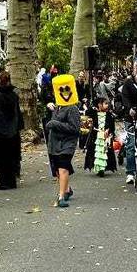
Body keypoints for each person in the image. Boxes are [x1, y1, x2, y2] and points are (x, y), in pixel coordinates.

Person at [45, 75, 82, 208]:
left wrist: (55, 123)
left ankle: (61, 196)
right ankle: (66, 189)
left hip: (67, 143)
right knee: (57, 170)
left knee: (63, 168)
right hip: (54, 143)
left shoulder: (72, 108)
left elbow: (74, 128)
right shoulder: (57, 107)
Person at [0, 72, 24, 190]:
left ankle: (3, 181)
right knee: (12, 157)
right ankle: (12, 180)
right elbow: (18, 114)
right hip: (13, 133)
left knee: (0, 158)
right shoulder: (13, 96)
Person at [83, 97, 117, 176]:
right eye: (105, 104)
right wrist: (93, 107)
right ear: (99, 105)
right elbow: (87, 113)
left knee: (105, 152)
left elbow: (112, 127)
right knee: (96, 152)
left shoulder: (109, 115)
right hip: (96, 137)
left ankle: (103, 167)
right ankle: (98, 168)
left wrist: (109, 131)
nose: (107, 105)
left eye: (107, 103)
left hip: (106, 137)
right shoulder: (94, 113)